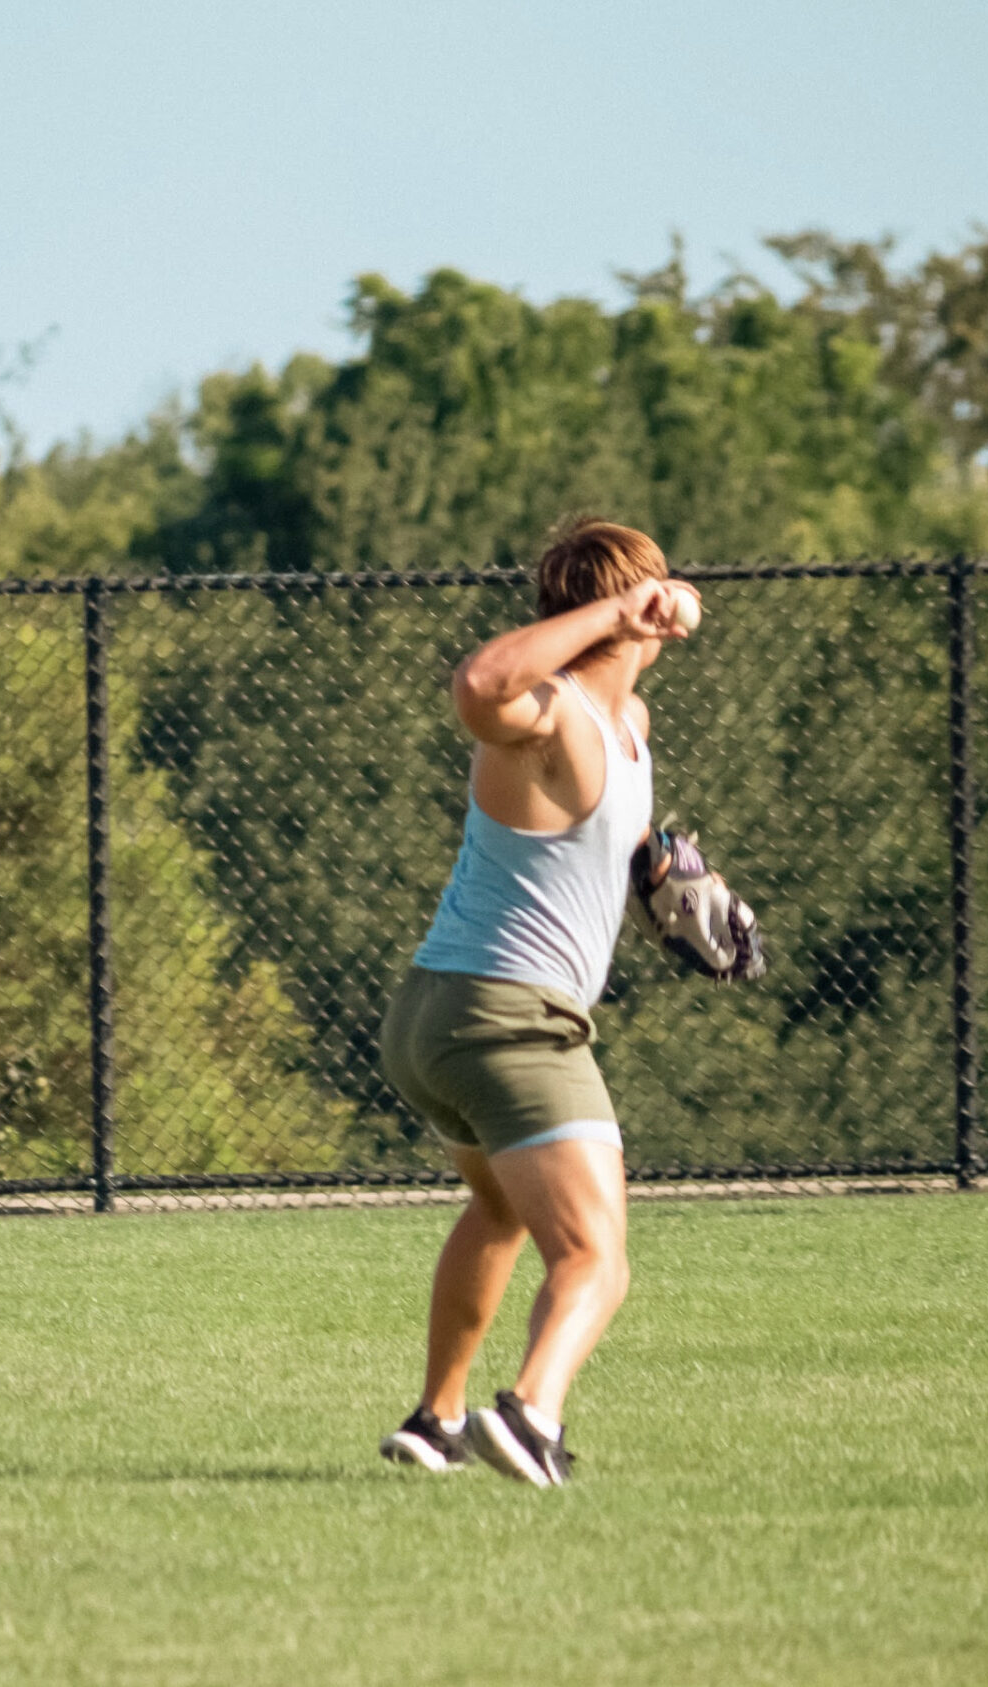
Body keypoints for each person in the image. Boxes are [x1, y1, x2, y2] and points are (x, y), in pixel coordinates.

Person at [374, 517, 692, 1487]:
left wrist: (661, 879)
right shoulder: (550, 709)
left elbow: (582, 849)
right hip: (509, 1021)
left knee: (500, 1211)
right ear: (628, 608)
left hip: (437, 1016)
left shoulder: (628, 725)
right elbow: (479, 684)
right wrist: (618, 609)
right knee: (596, 1255)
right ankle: (528, 1414)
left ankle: (436, 1420)